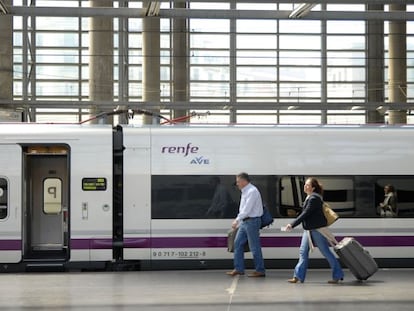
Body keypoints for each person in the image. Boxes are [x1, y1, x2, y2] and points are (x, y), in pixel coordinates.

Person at [283, 177, 344, 284]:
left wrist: (292, 224)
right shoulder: (309, 198)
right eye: (305, 184)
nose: (305, 186)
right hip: (308, 230)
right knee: (303, 252)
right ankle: (298, 276)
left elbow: (306, 213)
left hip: (317, 230)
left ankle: (338, 275)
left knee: (326, 252)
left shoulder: (314, 199)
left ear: (313, 188)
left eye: (307, 185)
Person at [226, 172, 266, 277]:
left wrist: (237, 220)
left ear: (244, 181)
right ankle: (239, 268)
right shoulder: (245, 191)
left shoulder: (252, 191)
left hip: (252, 221)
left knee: (254, 246)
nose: (237, 184)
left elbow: (247, 209)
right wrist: (240, 220)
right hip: (246, 222)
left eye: (238, 182)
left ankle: (260, 270)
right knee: (237, 243)